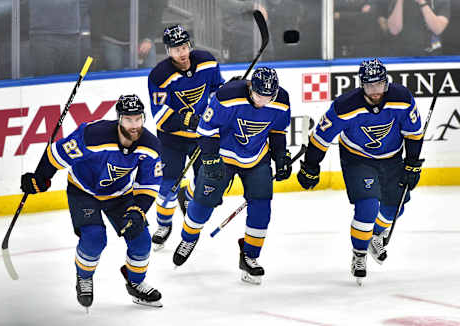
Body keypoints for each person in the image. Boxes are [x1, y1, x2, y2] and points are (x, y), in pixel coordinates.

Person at [20, 95, 163, 309]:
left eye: (138, 119)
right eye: (128, 119)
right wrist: (40, 178)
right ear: (119, 119)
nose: (134, 125)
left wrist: (138, 210)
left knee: (141, 239)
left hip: (120, 195)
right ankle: (84, 277)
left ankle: (135, 282)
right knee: (95, 238)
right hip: (83, 191)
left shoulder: (150, 146)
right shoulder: (93, 136)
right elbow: (56, 155)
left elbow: (149, 184)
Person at [296, 58, 424, 285]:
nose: (376, 91)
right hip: (357, 158)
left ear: (387, 82)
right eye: (370, 86)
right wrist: (311, 166)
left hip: (392, 157)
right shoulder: (346, 106)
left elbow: (413, 133)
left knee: (395, 208)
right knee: (367, 205)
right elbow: (320, 138)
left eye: (380, 85)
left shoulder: (402, 99)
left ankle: (376, 235)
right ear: (361, 84)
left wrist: (412, 162)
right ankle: (359, 254)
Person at [172, 67, 292, 285]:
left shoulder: (281, 100)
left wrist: (281, 156)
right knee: (203, 204)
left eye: (268, 96)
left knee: (262, 207)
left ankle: (250, 256)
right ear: (250, 88)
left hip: (257, 158)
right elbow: (206, 129)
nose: (263, 101)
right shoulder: (227, 97)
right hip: (223, 157)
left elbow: (277, 131)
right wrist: (209, 158)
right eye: (259, 95)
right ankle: (188, 239)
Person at [148, 24, 224, 250]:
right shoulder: (159, 76)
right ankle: (163, 224)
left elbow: (216, 91)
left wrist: (230, 90)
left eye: (184, 46)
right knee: (168, 184)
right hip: (172, 139)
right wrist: (189, 120)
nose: (181, 53)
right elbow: (161, 116)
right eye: (175, 49)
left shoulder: (208, 62)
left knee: (205, 182)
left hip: (202, 137)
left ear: (190, 45)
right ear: (167, 51)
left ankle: (187, 194)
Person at [92, 0, 167, 71]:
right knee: (114, 74)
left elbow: (157, 12)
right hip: (112, 39)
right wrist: (96, 43)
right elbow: (97, 11)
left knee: (151, 72)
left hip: (142, 38)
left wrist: (149, 38)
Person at [386, 0, 450, 56]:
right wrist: (400, 1)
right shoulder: (396, 2)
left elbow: (437, 29)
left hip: (431, 55)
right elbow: (394, 30)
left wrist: (422, 2)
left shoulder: (440, 1)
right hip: (403, 55)